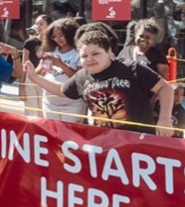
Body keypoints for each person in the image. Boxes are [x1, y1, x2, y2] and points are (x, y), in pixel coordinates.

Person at [26, 27, 174, 135]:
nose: (90, 59)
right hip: (105, 140)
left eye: (96, 54)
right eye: (84, 56)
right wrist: (35, 77)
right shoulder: (82, 76)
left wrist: (164, 119)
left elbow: (164, 88)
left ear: (109, 52)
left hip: (139, 138)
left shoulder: (131, 68)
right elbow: (61, 90)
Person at [119, 19, 185, 137]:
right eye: (141, 36)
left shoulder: (157, 55)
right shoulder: (126, 51)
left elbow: (163, 81)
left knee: (144, 132)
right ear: (135, 34)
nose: (143, 39)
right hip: (127, 98)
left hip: (147, 99)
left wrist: (153, 101)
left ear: (153, 40)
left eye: (148, 37)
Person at [35, 18, 87, 123]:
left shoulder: (78, 52)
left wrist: (61, 64)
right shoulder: (51, 51)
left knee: (71, 134)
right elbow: (37, 74)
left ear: (70, 34)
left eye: (60, 35)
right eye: (54, 36)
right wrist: (42, 65)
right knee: (51, 133)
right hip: (49, 102)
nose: (58, 39)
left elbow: (80, 78)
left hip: (72, 103)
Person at [20, 15, 51, 117]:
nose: (38, 26)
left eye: (41, 24)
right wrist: (21, 86)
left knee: (45, 111)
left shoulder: (53, 43)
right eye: (36, 24)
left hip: (47, 79)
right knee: (31, 111)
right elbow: (24, 65)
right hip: (30, 79)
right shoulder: (30, 43)